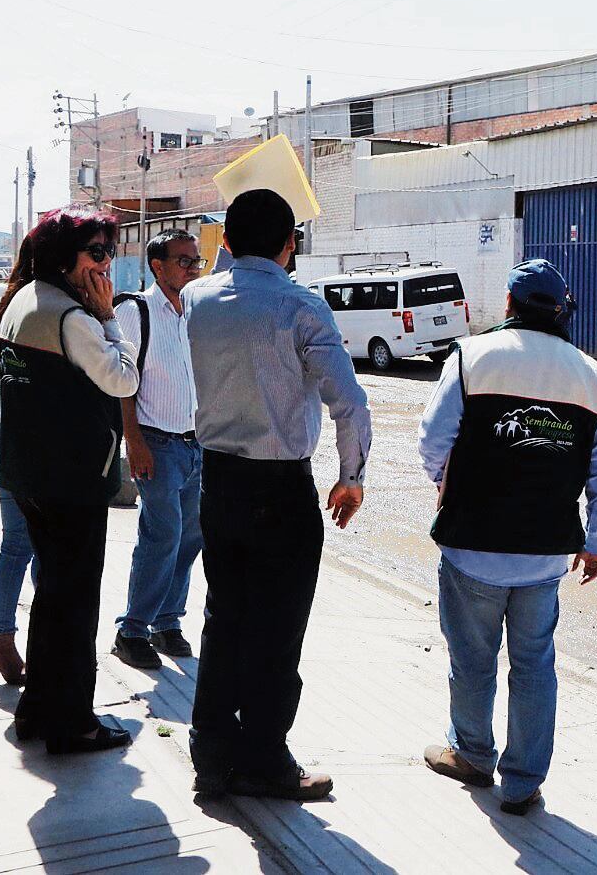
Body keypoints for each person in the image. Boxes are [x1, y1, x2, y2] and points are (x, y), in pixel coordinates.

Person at [182, 188, 371, 802]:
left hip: (218, 480)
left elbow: (220, 279)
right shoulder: (302, 308)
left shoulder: (195, 299)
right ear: (291, 245)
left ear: (227, 243)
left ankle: (211, 758)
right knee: (277, 629)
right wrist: (352, 475)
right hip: (281, 487)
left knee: (224, 619)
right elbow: (349, 402)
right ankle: (264, 758)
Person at [417, 258, 597, 815]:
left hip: (471, 545)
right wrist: (595, 540)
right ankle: (523, 783)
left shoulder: (471, 358)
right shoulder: (592, 377)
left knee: (472, 660)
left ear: (508, 305)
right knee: (534, 667)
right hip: (545, 555)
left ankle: (473, 756)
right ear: (560, 313)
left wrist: (448, 486)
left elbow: (433, 441)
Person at [0, 206, 139, 754]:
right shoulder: (74, 318)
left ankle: (37, 709)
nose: (106, 264)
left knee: (52, 597)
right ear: (64, 257)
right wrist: (110, 319)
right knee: (74, 605)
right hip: (72, 480)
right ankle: (73, 722)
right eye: (96, 253)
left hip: (30, 474)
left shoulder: (22, 302)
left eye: (109, 252)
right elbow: (122, 380)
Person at [111, 230, 206, 670]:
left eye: (196, 261)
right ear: (158, 266)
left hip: (196, 444)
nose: (192, 268)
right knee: (161, 535)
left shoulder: (193, 311)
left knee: (189, 537)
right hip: (157, 443)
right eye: (184, 261)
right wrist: (135, 441)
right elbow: (121, 384)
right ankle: (131, 630)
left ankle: (167, 622)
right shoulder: (137, 311)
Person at [0, 235, 38, 687]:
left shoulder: (16, 302)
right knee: (19, 546)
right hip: (17, 441)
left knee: (32, 547)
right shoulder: (34, 308)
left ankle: (17, 639)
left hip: (11, 439)